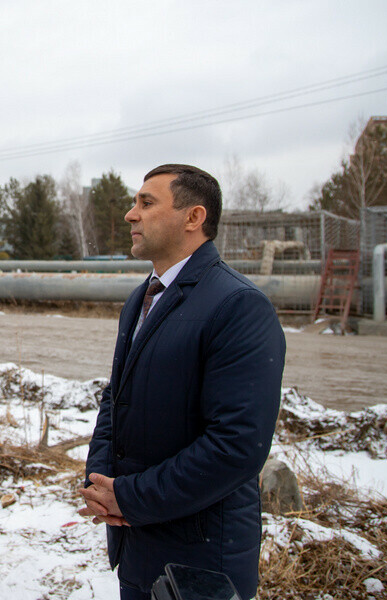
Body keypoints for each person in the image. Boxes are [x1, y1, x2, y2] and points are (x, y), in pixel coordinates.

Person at [79, 164, 285, 600]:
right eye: (134, 203)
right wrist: (99, 481)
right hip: (136, 543)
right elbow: (117, 398)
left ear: (193, 217)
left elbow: (237, 446)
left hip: (200, 559)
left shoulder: (239, 306)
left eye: (146, 203)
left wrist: (131, 498)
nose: (130, 215)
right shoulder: (142, 297)